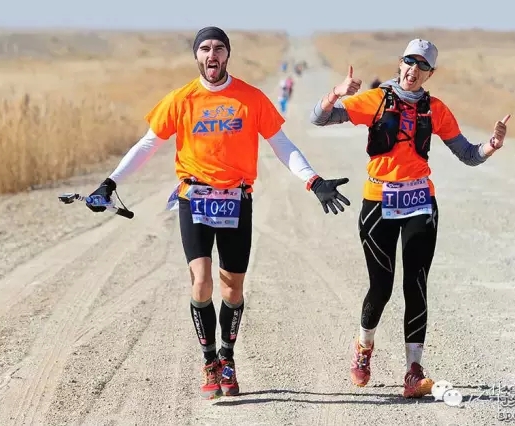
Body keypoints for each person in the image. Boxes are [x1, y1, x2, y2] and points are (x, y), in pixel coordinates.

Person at [85, 26, 351, 400]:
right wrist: (110, 182)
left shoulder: (251, 98)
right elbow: (147, 145)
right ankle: (209, 360)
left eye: (219, 48)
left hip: (236, 200)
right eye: (205, 48)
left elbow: (282, 144)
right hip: (194, 198)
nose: (212, 54)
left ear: (228, 55)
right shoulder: (181, 99)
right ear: (197, 56)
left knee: (232, 288)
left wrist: (314, 180)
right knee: (201, 282)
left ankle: (228, 356)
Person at [309, 38, 510, 399]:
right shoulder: (376, 99)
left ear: (430, 73)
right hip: (378, 200)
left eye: (422, 65)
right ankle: (364, 347)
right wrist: (336, 93)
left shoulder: (436, 109)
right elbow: (319, 118)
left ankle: (413, 371)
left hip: (420, 201)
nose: (413, 70)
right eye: (409, 62)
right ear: (400, 64)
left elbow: (467, 153)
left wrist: (491, 146)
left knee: (415, 285)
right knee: (381, 287)